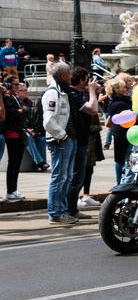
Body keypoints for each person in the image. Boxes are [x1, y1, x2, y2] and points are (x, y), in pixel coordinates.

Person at [42, 62, 78, 224]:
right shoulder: (53, 93)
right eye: (69, 73)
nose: (71, 76)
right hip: (60, 141)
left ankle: (61, 211)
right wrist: (63, 136)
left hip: (67, 139)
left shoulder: (62, 91)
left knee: (66, 177)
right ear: (63, 75)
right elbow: (48, 122)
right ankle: (55, 213)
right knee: (60, 177)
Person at [67, 67, 100, 220]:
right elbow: (94, 109)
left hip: (81, 139)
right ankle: (69, 210)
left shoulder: (77, 94)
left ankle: (72, 209)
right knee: (76, 177)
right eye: (87, 79)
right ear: (81, 80)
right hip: (77, 140)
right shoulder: (73, 94)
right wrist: (92, 90)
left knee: (79, 176)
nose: (89, 82)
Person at [3, 76, 28, 202]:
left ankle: (13, 190)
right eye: (16, 84)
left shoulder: (15, 97)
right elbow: (14, 113)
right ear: (8, 85)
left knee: (17, 163)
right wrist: (21, 111)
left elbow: (25, 111)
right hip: (12, 133)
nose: (18, 86)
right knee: (13, 163)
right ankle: (10, 191)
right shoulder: (7, 97)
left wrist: (22, 111)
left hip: (19, 133)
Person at [105, 75, 133, 185]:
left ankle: (121, 182)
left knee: (122, 158)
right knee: (122, 159)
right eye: (123, 87)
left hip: (124, 132)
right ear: (117, 90)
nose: (126, 88)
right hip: (122, 133)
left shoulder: (121, 100)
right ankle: (120, 183)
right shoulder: (119, 103)